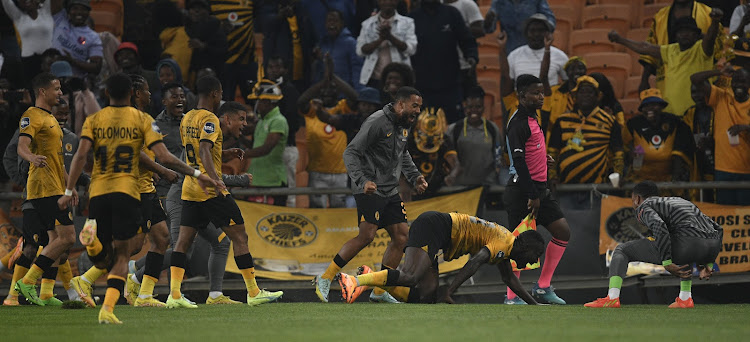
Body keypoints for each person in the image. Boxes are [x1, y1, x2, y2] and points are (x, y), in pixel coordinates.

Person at [57, 73, 218, 324]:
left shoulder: (95, 119)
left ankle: (140, 291)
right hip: (133, 189)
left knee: (160, 237)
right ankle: (93, 284)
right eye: (145, 90)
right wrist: (191, 173)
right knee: (127, 250)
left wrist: (69, 190)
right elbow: (158, 156)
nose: (150, 94)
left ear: (108, 93)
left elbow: (80, 156)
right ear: (134, 92)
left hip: (102, 190)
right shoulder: (141, 120)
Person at [167, 75, 283, 309]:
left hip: (190, 188)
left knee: (182, 243)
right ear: (215, 94)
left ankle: (175, 294)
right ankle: (253, 291)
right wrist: (216, 180)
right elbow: (204, 150)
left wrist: (225, 153)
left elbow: (197, 151)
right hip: (210, 191)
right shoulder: (210, 118)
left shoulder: (186, 117)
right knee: (240, 237)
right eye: (220, 94)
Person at [314, 86, 428, 303]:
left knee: (402, 236)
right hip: (369, 187)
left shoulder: (405, 125)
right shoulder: (376, 122)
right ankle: (325, 278)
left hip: (389, 189)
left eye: (419, 107)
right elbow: (350, 152)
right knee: (367, 236)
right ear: (401, 104)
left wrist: (415, 177)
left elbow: (402, 155)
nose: (417, 111)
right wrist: (362, 180)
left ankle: (379, 289)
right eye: (414, 106)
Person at [338, 211, 545, 304]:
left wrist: (534, 305)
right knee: (411, 277)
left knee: (427, 296)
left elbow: (509, 279)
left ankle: (373, 279)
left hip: (440, 232)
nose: (532, 261)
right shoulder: (503, 243)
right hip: (434, 227)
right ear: (525, 246)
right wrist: (451, 290)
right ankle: (355, 280)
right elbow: (474, 262)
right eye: (535, 255)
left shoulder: (506, 246)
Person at [585, 181, 723, 308]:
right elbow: (718, 228)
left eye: (633, 199)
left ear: (637, 198)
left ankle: (612, 298)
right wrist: (708, 263)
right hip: (710, 245)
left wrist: (667, 262)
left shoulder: (644, 206)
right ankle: (685, 299)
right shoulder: (680, 201)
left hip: (686, 244)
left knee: (622, 250)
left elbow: (659, 225)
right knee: (680, 246)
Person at [503, 74, 570, 305]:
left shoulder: (533, 118)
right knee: (518, 245)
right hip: (523, 191)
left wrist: (543, 159)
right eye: (535, 93)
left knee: (562, 231)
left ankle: (542, 287)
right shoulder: (518, 122)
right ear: (521, 96)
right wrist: (532, 194)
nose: (541, 97)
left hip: (539, 190)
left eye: (542, 93)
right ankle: (512, 297)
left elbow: (529, 151)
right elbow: (518, 161)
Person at [13, 73, 75, 308]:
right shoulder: (31, 115)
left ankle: (45, 293)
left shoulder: (50, 119)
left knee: (57, 240)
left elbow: (57, 159)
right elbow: (22, 146)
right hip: (43, 187)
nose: (60, 93)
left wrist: (69, 186)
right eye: (56, 88)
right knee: (67, 238)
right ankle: (28, 282)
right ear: (42, 91)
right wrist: (32, 158)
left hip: (56, 186)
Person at [610, 9, 723, 117]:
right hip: (671, 114)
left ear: (696, 35)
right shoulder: (670, 50)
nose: (684, 34)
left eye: (689, 31)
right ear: (676, 35)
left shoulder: (702, 49)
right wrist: (620, 39)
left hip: (695, 115)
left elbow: (710, 38)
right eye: (681, 31)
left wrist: (715, 21)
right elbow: (645, 47)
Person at [298, 55, 358, 208]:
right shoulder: (313, 110)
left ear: (338, 91)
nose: (328, 92)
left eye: (332, 89)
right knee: (317, 211)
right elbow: (301, 102)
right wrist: (322, 83)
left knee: (339, 213)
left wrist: (333, 77)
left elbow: (354, 97)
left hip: (340, 172)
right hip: (317, 172)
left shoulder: (343, 108)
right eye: (324, 89)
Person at [547, 76, 624, 187]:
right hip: (565, 188)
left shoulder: (609, 121)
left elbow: (618, 152)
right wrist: (552, 176)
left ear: (598, 97)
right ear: (576, 97)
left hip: (597, 188)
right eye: (581, 92)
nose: (585, 95)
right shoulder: (562, 120)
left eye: (590, 92)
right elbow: (552, 151)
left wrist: (618, 174)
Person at [409, 0, 477, 124]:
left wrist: (471, 57)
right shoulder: (412, 18)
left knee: (455, 125)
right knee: (424, 127)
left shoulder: (452, 13)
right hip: (422, 85)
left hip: (450, 83)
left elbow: (467, 40)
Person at [691, 65, 750, 205]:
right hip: (723, 170)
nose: (738, 85)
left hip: (747, 171)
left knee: (745, 219)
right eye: (735, 81)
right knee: (725, 215)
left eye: (743, 81)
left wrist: (746, 127)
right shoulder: (721, 96)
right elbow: (695, 79)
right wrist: (719, 72)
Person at [640, 0, 723, 94]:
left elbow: (718, 48)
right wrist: (644, 80)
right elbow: (651, 50)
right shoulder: (660, 16)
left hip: (698, 81)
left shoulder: (708, 14)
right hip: (668, 81)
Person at [622, 89, 694, 189]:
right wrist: (630, 153)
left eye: (654, 105)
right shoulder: (633, 124)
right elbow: (625, 146)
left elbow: (681, 150)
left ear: (661, 107)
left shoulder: (674, 122)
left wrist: (675, 181)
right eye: (646, 106)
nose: (650, 108)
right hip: (640, 181)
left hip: (668, 183)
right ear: (641, 109)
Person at [265, 56, 301, 207]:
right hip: (269, 149)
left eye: (277, 67)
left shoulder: (290, 90)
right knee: (269, 188)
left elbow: (294, 123)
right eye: (271, 67)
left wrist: (277, 129)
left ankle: (291, 218)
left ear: (285, 70)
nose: (274, 70)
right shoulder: (264, 90)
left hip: (286, 147)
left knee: (289, 190)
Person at [246, 80, 289, 206]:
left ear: (268, 102)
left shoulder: (278, 120)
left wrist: (241, 154)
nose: (257, 105)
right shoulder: (262, 120)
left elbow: (266, 149)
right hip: (257, 179)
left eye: (258, 102)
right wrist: (239, 137)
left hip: (273, 181)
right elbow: (255, 147)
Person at [356, 0, 417, 89]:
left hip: (400, 80)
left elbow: (411, 49)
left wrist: (390, 37)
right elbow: (360, 51)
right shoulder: (367, 24)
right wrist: (380, 40)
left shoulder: (407, 23)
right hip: (374, 79)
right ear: (378, 2)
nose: (388, 2)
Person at [448, 86, 502, 187]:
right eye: (470, 107)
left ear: (483, 108)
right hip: (460, 186)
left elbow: (498, 155)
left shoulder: (492, 128)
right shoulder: (454, 129)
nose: (474, 111)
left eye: (478, 107)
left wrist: (496, 173)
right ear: (465, 108)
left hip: (486, 186)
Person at [261, 0, 316, 91]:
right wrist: (280, 17)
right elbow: (264, 25)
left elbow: (311, 38)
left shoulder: (302, 12)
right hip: (279, 75)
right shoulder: (269, 9)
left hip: (302, 73)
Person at [406, 107, 459, 199]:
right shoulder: (408, 140)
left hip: (437, 190)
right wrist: (404, 186)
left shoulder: (444, 139)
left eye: (434, 136)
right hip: (412, 190)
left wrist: (452, 176)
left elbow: (455, 163)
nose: (429, 140)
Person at [211, 0, 257, 101]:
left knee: (253, 100)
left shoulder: (250, 2)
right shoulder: (212, 3)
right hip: (223, 62)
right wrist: (219, 29)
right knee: (225, 101)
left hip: (247, 60)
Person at [504, 14, 567, 88]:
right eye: (532, 30)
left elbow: (568, 82)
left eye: (540, 30)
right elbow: (508, 85)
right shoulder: (514, 55)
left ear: (547, 33)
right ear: (526, 33)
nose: (536, 34)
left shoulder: (559, 55)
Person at [1, 0, 53, 84]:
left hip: (48, 60)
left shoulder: (46, 11)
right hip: (27, 63)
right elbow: (6, 1)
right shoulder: (18, 16)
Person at [314, 10, 364, 91]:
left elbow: (357, 68)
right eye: (329, 21)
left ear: (342, 23)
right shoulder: (322, 43)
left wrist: (358, 91)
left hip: (345, 93)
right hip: (325, 93)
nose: (332, 24)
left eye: (335, 21)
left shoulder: (351, 43)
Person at [51, 0, 103, 78]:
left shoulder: (93, 37)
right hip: (49, 77)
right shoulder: (60, 19)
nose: (79, 12)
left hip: (73, 82)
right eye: (75, 8)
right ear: (69, 11)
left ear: (88, 12)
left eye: (83, 9)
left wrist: (72, 61)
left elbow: (96, 68)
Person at [484, 0, 555, 54]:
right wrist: (488, 22)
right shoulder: (498, 2)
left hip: (534, 49)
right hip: (510, 51)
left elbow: (550, 20)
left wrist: (543, 29)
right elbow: (489, 29)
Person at [185, 0, 227, 78]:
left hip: (212, 74)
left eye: (200, 8)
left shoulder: (215, 28)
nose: (196, 11)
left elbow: (223, 51)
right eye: (193, 8)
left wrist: (204, 46)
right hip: (189, 75)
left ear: (207, 11)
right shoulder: (185, 27)